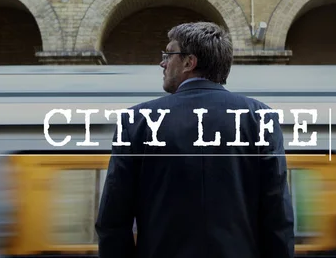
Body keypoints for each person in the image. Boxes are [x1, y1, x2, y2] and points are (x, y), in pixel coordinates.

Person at [95, 22, 294, 258]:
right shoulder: (260, 117)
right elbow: (277, 216)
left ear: (189, 62)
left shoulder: (137, 121)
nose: (162, 63)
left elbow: (113, 220)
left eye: (168, 54)